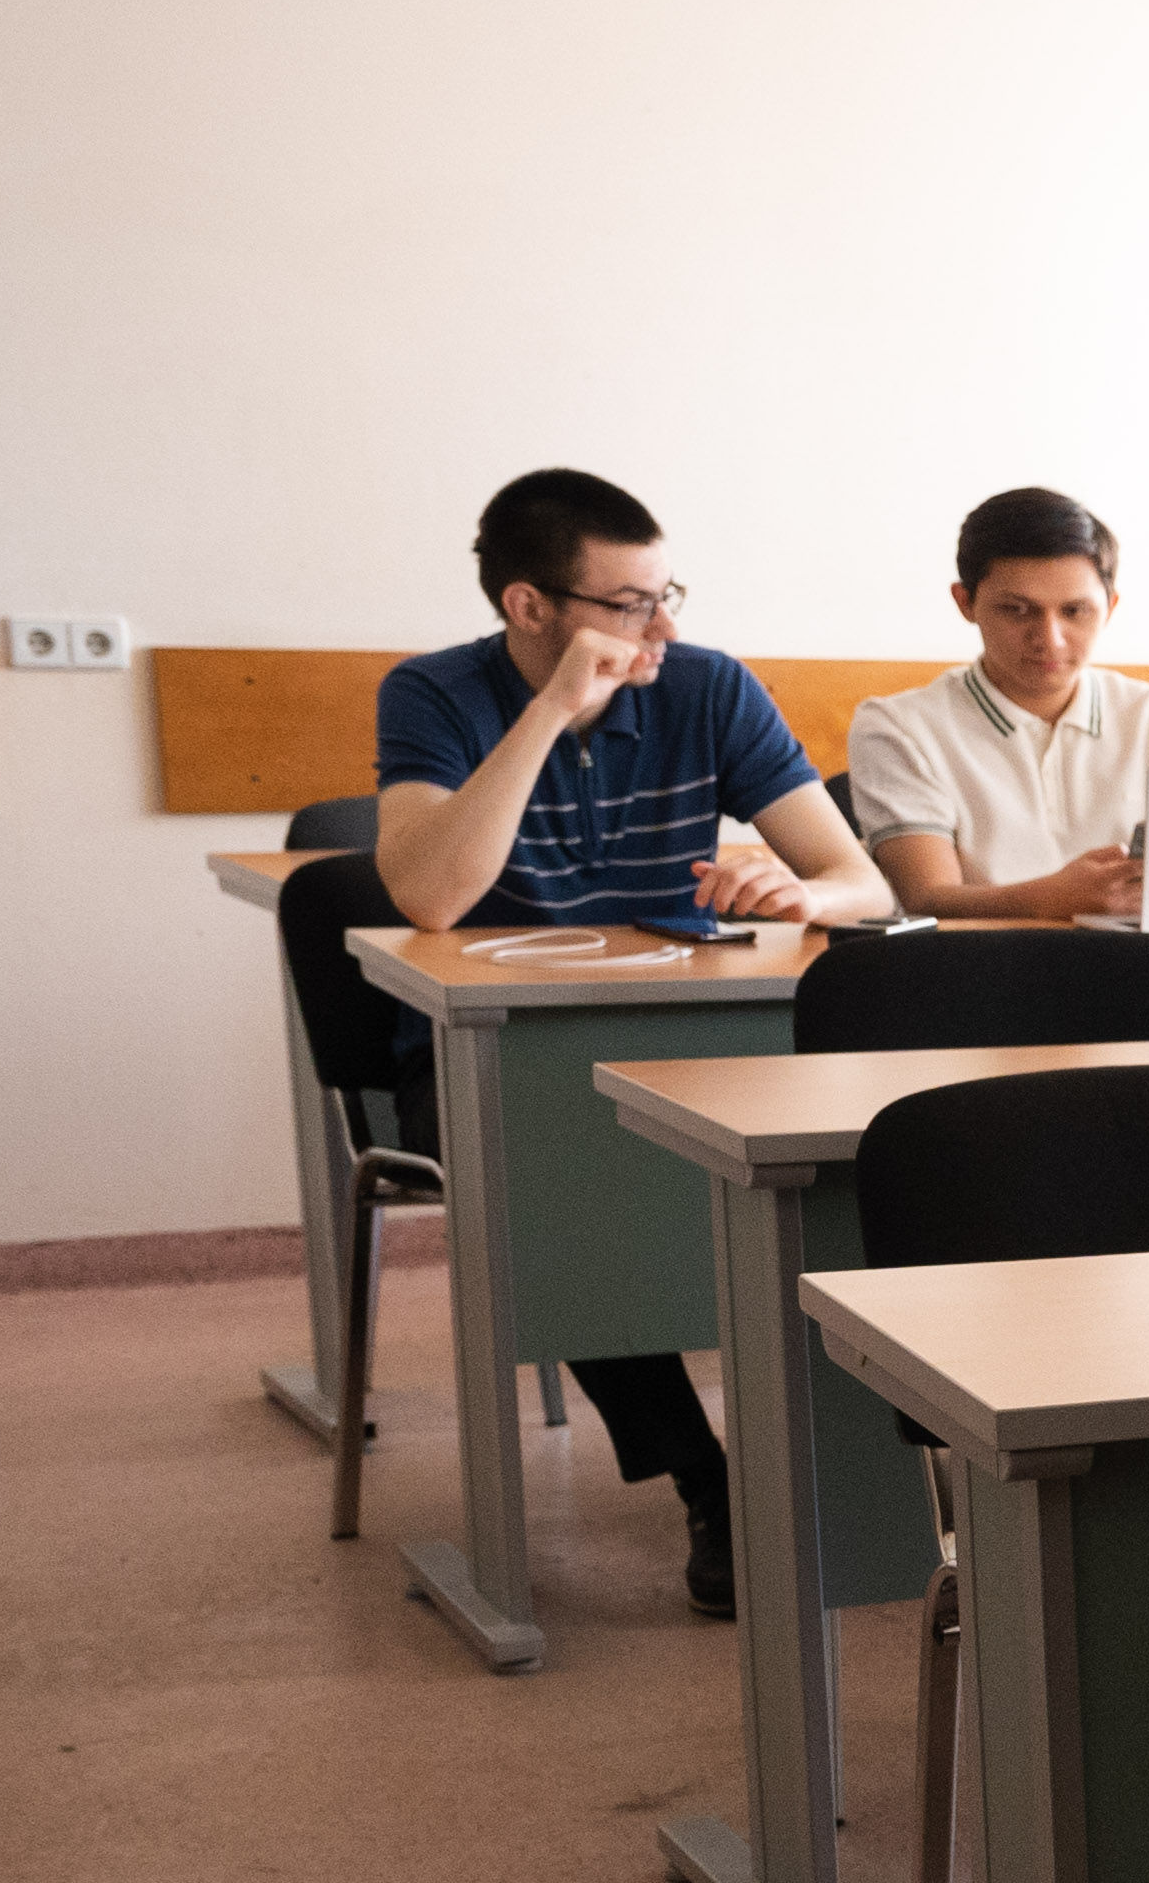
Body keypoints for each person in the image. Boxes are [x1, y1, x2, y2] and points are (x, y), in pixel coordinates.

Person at [375, 467, 896, 1617]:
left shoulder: (709, 688)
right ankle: (706, 1477)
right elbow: (430, 897)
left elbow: (859, 880)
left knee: (840, 1160)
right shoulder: (434, 694)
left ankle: (853, 1467)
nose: (661, 628)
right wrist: (552, 710)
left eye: (668, 595)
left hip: (684, 1035)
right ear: (528, 607)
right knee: (556, 1185)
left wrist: (800, 894)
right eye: (627, 604)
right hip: (487, 1057)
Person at [844, 490, 1149, 919]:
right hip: (973, 957)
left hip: (1145, 957)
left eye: (1074, 611)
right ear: (965, 602)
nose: (1050, 639)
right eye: (1017, 610)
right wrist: (1055, 898)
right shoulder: (899, 727)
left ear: (1111, 606)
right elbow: (927, 897)